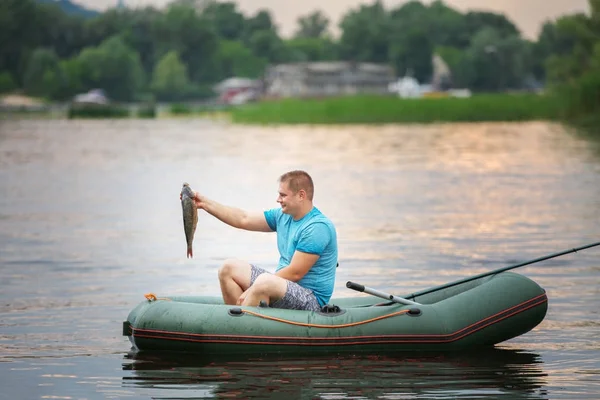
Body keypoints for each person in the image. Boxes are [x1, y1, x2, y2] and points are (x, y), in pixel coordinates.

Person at [188, 170, 338, 311]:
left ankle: (241, 326)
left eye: (283, 195)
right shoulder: (282, 215)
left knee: (264, 282)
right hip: (282, 286)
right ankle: (239, 324)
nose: (278, 199)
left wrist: (255, 287)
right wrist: (204, 203)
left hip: (310, 300)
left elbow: (295, 273)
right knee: (228, 268)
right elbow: (243, 219)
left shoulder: (317, 227)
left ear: (301, 195)